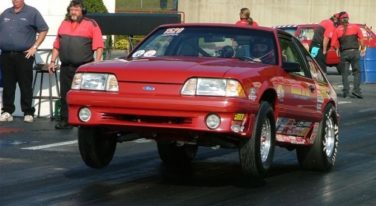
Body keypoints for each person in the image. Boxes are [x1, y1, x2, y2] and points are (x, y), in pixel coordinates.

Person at [48, 0, 104, 129]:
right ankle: (65, 120)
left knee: (84, 95)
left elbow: (99, 45)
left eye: (76, 10)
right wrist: (52, 61)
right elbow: (57, 45)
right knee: (65, 94)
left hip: (83, 68)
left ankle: (84, 120)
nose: (73, 12)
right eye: (72, 9)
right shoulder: (64, 23)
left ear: (82, 11)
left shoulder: (91, 24)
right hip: (66, 66)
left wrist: (97, 62)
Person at [0, 0, 48, 123]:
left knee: (25, 85)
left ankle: (28, 112)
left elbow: (43, 29)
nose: (15, 0)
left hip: (24, 55)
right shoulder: (6, 13)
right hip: (6, 55)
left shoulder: (32, 12)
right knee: (8, 85)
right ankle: (7, 111)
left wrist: (35, 47)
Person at [331, 11, 366, 99]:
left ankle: (346, 93)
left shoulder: (337, 29)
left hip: (344, 53)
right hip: (354, 52)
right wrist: (362, 49)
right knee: (357, 72)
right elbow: (361, 39)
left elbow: (333, 43)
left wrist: (337, 50)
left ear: (341, 20)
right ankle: (356, 91)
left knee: (345, 73)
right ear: (348, 19)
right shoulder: (355, 27)